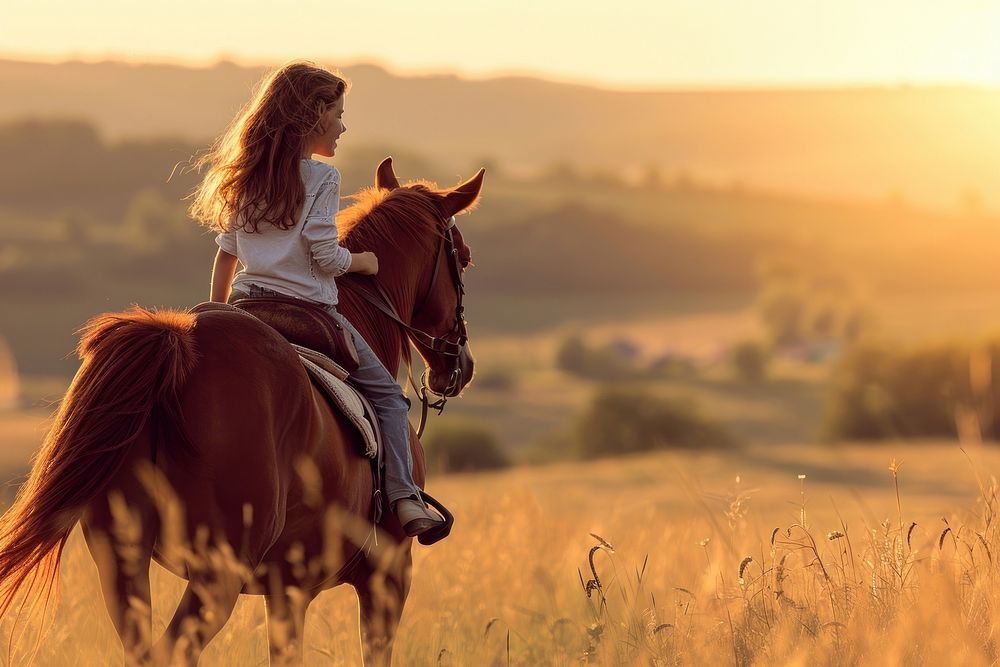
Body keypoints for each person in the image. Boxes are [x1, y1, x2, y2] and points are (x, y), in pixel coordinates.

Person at [189, 61, 445, 541]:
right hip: (309, 313)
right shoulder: (322, 179)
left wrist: (219, 313)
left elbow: (226, 258)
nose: (343, 125)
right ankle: (406, 499)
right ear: (313, 116)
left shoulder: (245, 177)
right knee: (389, 397)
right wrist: (366, 262)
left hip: (248, 308)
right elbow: (326, 257)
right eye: (338, 113)